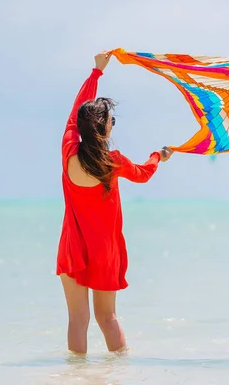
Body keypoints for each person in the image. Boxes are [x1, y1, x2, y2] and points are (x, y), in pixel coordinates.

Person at [56, 50, 173, 354]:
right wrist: (157, 156)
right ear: (103, 128)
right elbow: (145, 173)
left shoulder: (69, 150)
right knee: (107, 318)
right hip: (104, 250)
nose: (113, 124)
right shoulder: (114, 162)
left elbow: (74, 110)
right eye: (112, 120)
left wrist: (96, 72)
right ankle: (119, 374)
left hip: (73, 245)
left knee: (77, 319)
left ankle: (77, 377)